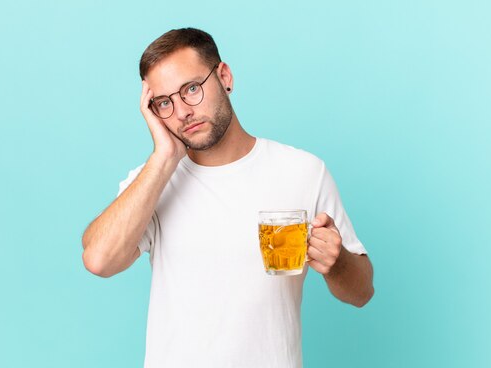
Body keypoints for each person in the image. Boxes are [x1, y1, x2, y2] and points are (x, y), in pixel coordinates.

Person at [82, 27, 374, 368]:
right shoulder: (154, 181)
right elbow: (99, 259)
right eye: (165, 102)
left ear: (224, 76)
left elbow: (362, 292)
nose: (182, 112)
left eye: (191, 89)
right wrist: (164, 156)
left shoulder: (302, 171)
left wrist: (336, 263)